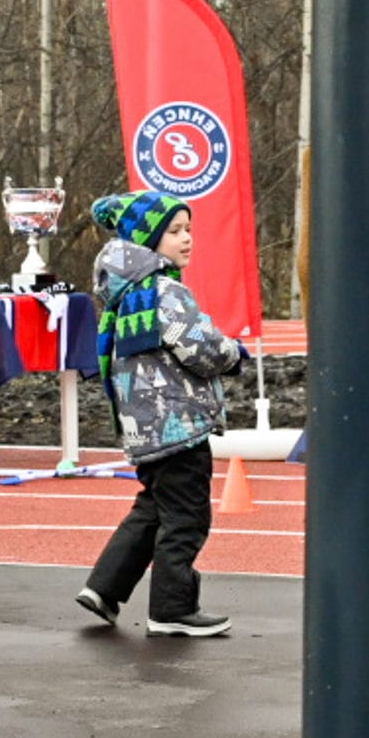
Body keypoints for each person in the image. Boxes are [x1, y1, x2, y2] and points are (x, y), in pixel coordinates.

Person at [75, 191, 244, 637]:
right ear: (147, 238)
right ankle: (172, 609)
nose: (187, 238)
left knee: (153, 508)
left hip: (143, 428)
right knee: (187, 517)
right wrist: (233, 353)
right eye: (174, 231)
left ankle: (104, 587)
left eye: (189, 229)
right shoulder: (164, 291)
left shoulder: (124, 291)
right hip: (178, 426)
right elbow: (200, 349)